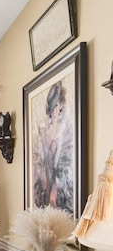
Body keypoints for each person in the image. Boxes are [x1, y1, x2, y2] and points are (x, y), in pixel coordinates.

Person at [33, 81, 74, 214]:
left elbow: (66, 162)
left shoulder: (66, 129)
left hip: (60, 182)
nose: (55, 111)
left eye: (57, 106)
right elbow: (40, 158)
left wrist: (55, 187)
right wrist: (44, 177)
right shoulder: (44, 130)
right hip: (46, 180)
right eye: (53, 107)